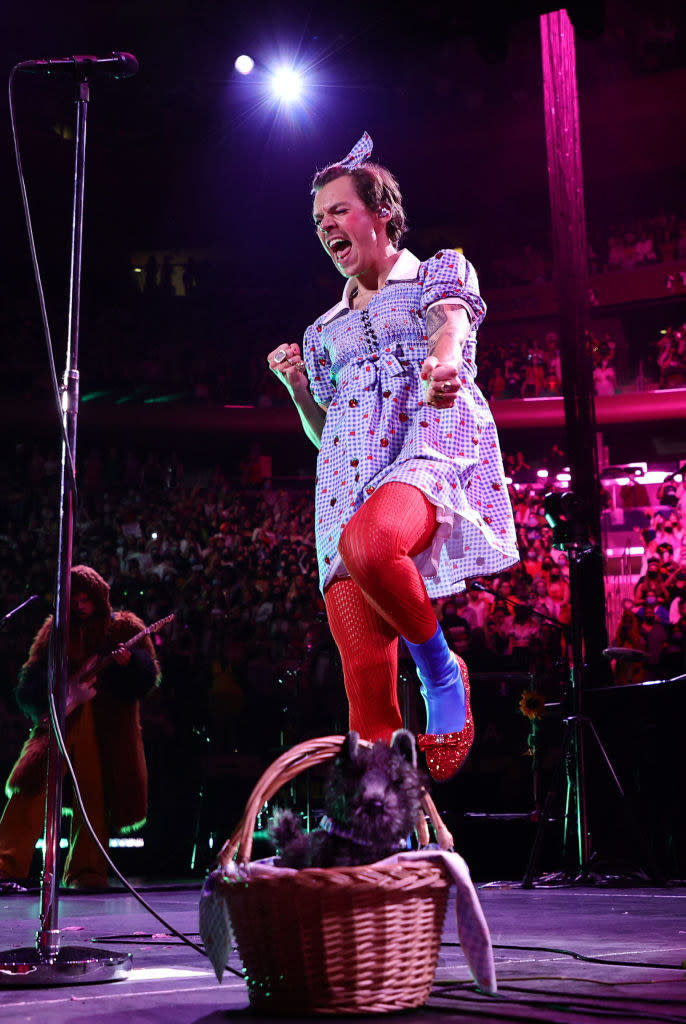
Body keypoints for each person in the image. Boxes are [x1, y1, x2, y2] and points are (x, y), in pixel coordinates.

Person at [266, 133, 518, 781]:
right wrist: (298, 390)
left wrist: (444, 359)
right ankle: (380, 841)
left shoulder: (438, 270)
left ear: (381, 213)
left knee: (374, 546)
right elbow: (324, 433)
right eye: (318, 220)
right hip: (343, 487)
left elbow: (452, 324)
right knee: (366, 693)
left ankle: (441, 672)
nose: (326, 227)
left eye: (339, 211)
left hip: (426, 450)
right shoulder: (322, 332)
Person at [0, 565, 160, 889]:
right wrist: (57, 695)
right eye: (75, 599)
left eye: (87, 599)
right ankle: (6, 861)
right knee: (32, 788)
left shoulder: (123, 626)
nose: (80, 606)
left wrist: (130, 664)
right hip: (64, 719)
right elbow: (29, 681)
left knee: (93, 795)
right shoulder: (56, 630)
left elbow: (146, 677)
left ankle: (87, 870)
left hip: (104, 729)